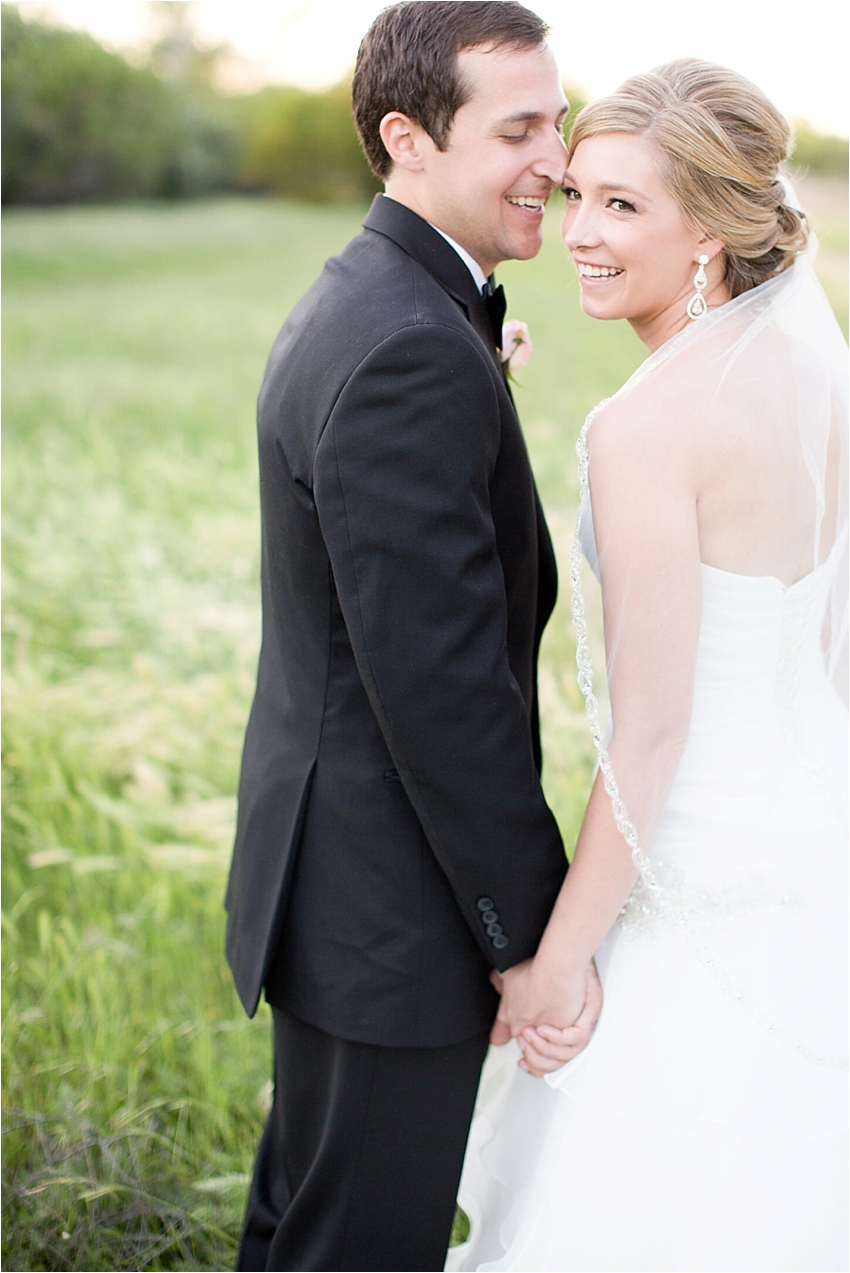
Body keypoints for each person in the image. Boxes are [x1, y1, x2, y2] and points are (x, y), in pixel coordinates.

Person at [447, 59, 848, 1272]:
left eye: (623, 207)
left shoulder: (645, 428)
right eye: (578, 196)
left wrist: (555, 966)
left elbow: (652, 734)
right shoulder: (816, 386)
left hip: (691, 880)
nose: (577, 234)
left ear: (713, 237)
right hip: (811, 849)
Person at [225, 5, 602, 1270]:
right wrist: (530, 936)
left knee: (308, 1228)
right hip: (393, 912)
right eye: (518, 129)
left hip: (342, 885)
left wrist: (479, 358)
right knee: (359, 1248)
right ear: (408, 138)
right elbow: (440, 692)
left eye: (556, 118)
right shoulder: (408, 344)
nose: (556, 155)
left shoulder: (391, 300)